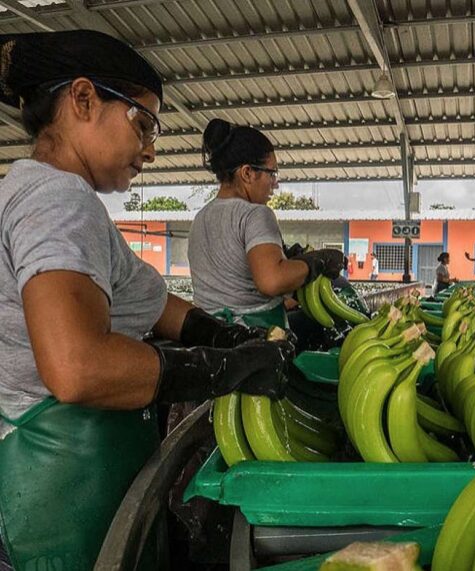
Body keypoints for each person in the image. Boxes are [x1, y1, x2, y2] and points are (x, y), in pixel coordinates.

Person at [0, 31, 293, 570]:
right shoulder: (57, 198)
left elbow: (153, 302)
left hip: (79, 474)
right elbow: (77, 367)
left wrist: (221, 335)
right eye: (142, 124)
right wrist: (217, 370)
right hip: (63, 485)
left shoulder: (53, 196)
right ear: (83, 100)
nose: (151, 150)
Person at [187, 118, 344, 329]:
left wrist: (289, 261)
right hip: (255, 337)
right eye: (272, 173)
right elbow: (271, 281)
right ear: (247, 173)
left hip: (212, 334)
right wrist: (316, 262)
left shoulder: (201, 218)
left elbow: (234, 275)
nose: (275, 184)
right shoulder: (255, 214)